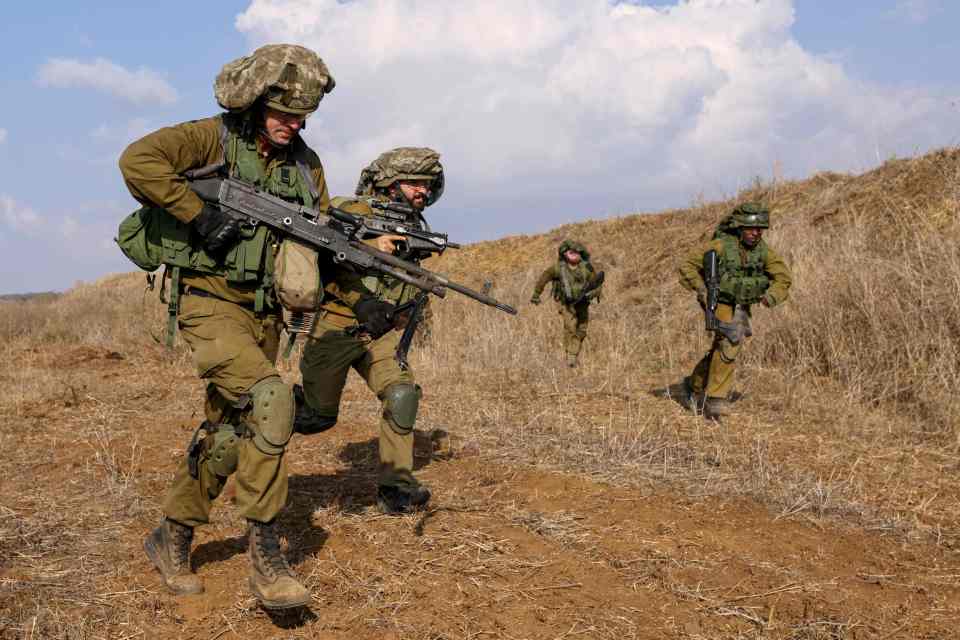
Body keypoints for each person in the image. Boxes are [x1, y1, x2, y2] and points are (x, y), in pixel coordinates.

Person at [118, 44, 335, 609]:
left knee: (229, 436)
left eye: (301, 115)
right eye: (283, 113)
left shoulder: (307, 169)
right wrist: (201, 216)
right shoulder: (208, 139)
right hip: (209, 301)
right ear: (254, 103)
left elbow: (321, 239)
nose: (294, 124)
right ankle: (267, 558)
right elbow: (137, 161)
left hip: (264, 312)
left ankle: (172, 535)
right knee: (271, 401)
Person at [295, 147, 444, 514]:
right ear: (389, 183)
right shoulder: (351, 210)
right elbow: (323, 255)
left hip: (380, 334)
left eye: (427, 184)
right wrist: (368, 247)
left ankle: (396, 489)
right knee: (315, 417)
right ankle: (247, 434)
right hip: (335, 325)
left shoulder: (412, 228)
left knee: (402, 395)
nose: (422, 191)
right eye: (414, 183)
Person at [678, 202, 792, 421]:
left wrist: (771, 297)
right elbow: (687, 266)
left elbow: (783, 277)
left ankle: (694, 384)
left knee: (722, 345)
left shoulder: (763, 251)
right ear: (739, 227)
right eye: (751, 228)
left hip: (741, 303)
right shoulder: (720, 245)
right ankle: (714, 400)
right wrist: (702, 290)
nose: (755, 233)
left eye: (760, 229)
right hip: (719, 299)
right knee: (731, 340)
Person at [530, 240, 604, 367]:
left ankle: (572, 353)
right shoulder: (558, 268)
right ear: (564, 254)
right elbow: (544, 278)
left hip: (583, 303)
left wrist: (593, 294)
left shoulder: (587, 267)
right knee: (570, 327)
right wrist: (536, 294)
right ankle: (571, 357)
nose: (574, 254)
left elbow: (597, 284)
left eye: (577, 252)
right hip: (566, 304)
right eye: (571, 252)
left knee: (582, 329)